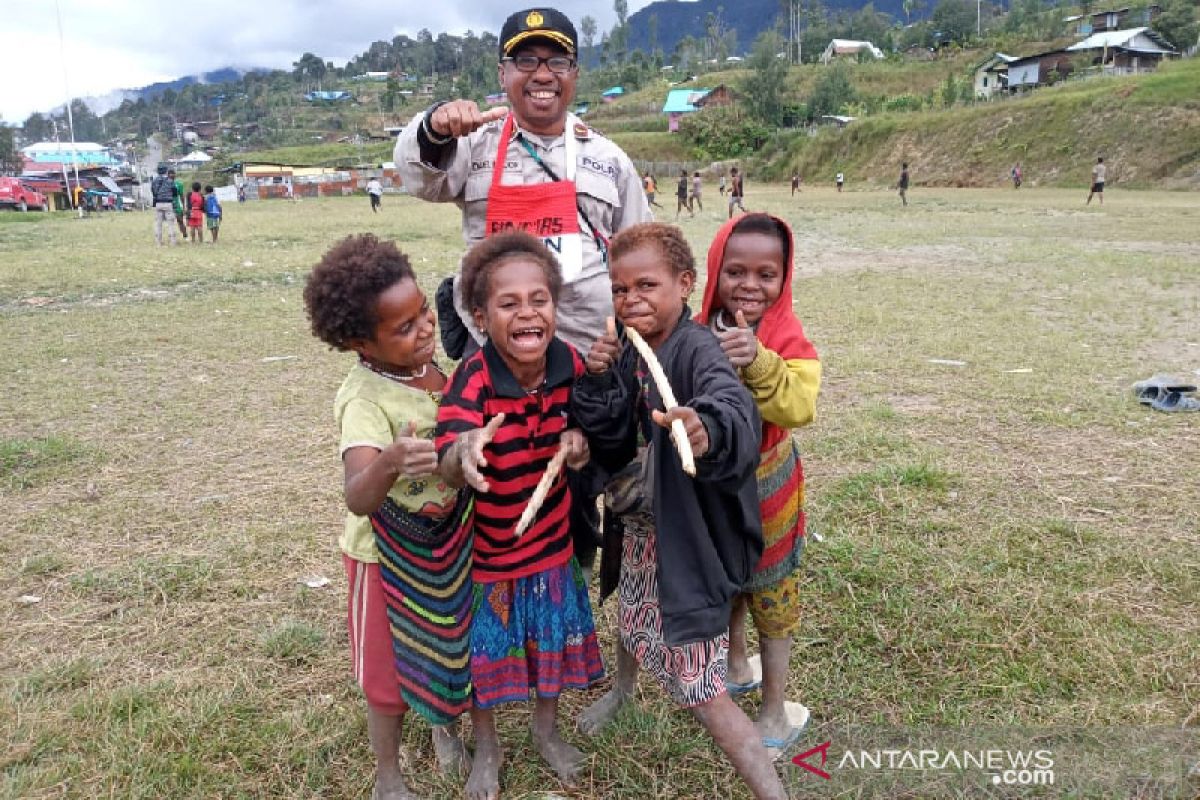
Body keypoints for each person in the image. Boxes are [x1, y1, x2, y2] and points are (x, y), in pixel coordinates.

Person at [394, 4, 653, 579]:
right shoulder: (474, 147)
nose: (542, 74)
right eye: (526, 60)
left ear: (575, 72)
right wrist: (437, 125)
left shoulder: (608, 160)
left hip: (583, 372)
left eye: (556, 60)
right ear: (502, 72)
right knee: (493, 492)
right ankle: (496, 606)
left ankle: (568, 597)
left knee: (574, 494)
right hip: (494, 374)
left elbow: (642, 255)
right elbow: (417, 174)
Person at [572, 222, 787, 800]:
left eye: (647, 285)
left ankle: (773, 790)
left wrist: (705, 429)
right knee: (632, 604)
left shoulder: (697, 349)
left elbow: (732, 406)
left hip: (683, 535)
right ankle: (623, 688)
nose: (631, 299)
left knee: (700, 687)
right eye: (619, 289)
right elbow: (611, 434)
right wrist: (596, 381)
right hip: (640, 523)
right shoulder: (623, 345)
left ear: (685, 284)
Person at [302, 234, 472, 800]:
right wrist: (395, 461)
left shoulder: (432, 372)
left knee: (446, 643)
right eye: (404, 327)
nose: (425, 328)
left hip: (443, 547)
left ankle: (444, 726)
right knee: (386, 676)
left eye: (423, 311)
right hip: (384, 559)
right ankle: (389, 777)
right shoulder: (364, 399)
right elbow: (358, 493)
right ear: (358, 342)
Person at [435, 231, 604, 800]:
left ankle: (544, 730)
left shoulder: (569, 363)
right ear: (481, 317)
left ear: (555, 305)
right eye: (509, 304)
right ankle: (488, 746)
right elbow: (449, 450)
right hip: (488, 562)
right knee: (486, 662)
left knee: (549, 649)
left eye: (540, 299)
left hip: (553, 551)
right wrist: (464, 453)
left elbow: (591, 421)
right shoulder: (473, 378)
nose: (528, 312)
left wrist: (580, 440)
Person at [698, 213, 821, 755]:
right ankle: (733, 662)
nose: (750, 286)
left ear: (784, 279)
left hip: (768, 482)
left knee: (771, 587)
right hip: (714, 484)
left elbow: (800, 406)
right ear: (713, 271)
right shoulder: (695, 328)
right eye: (735, 271)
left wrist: (761, 360)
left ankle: (773, 710)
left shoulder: (787, 335)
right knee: (728, 578)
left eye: (766, 275)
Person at [150, 164, 178, 246]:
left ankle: (158, 243)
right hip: (168, 203)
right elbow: (175, 192)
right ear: (166, 171)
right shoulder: (170, 181)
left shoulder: (154, 181)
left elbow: (153, 191)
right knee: (170, 224)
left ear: (158, 171)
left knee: (158, 224)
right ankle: (173, 242)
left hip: (158, 203)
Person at [170, 169, 186, 235]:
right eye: (171, 175)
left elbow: (182, 196)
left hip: (177, 205)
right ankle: (172, 236)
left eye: (173, 175)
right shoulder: (165, 184)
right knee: (170, 222)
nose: (172, 176)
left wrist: (184, 206)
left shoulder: (179, 184)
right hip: (168, 205)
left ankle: (185, 234)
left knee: (180, 221)